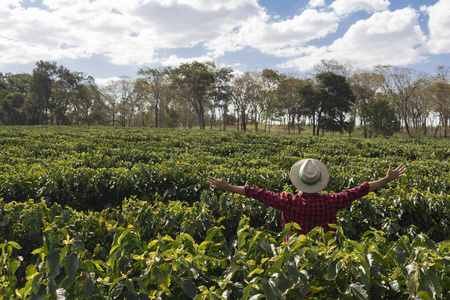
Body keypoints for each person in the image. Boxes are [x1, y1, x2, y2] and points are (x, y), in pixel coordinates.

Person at [207, 159, 406, 238]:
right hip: (324, 253)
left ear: (299, 181)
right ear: (320, 180)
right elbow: (361, 189)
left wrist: (227, 187)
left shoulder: (287, 201)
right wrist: (387, 179)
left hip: (295, 253)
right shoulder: (332, 201)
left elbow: (255, 192)